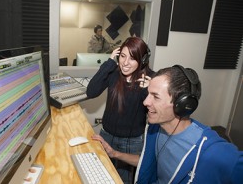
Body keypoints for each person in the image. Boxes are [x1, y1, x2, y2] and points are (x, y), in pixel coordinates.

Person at [92, 65, 243, 184]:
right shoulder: (155, 129)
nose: (145, 102)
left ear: (182, 104)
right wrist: (114, 154)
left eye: (155, 97)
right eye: (148, 94)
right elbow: (147, 163)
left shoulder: (215, 153)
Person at [86, 37, 154, 184]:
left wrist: (149, 90)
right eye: (123, 56)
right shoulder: (113, 72)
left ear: (142, 60)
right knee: (100, 175)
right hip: (106, 135)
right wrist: (109, 63)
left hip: (132, 142)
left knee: (122, 180)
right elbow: (91, 92)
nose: (125, 62)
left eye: (132, 58)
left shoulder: (150, 80)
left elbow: (156, 113)